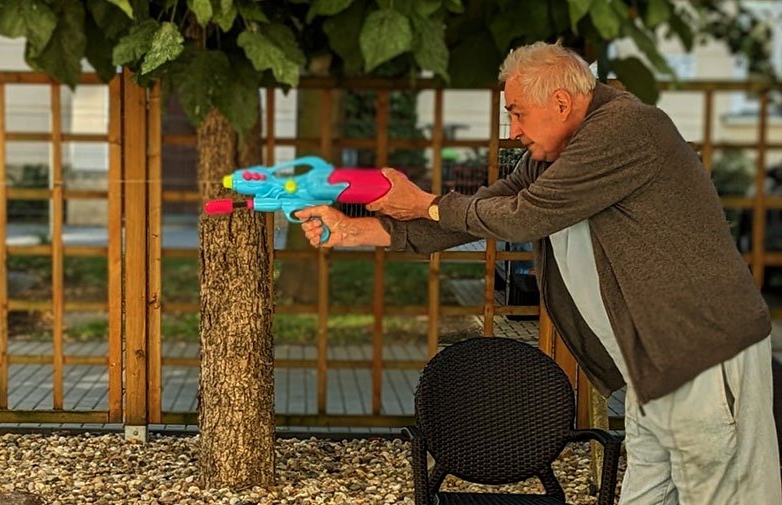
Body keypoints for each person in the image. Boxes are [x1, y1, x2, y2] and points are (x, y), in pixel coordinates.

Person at [295, 41, 781, 504]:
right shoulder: (558, 154)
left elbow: (525, 215)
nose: (513, 130)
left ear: (563, 102)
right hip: (653, 361)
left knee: (718, 487)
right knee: (650, 488)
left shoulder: (627, 128)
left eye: (517, 112)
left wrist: (422, 202)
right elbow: (485, 210)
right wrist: (357, 232)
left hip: (702, 349)